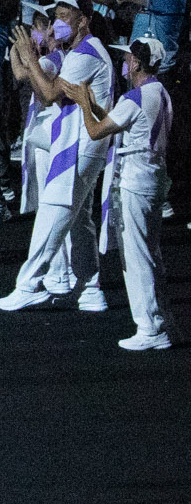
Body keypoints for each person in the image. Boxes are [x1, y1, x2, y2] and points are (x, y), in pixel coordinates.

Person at [0, 0, 115, 312]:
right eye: (55, 17)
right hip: (73, 145)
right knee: (78, 220)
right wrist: (23, 55)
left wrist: (28, 56)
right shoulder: (71, 54)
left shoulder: (88, 54)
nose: (56, 23)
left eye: (65, 15)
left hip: (80, 147)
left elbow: (49, 94)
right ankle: (91, 288)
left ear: (84, 21)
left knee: (53, 211)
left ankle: (29, 283)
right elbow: (35, 84)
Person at [67, 37, 177, 349]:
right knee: (150, 251)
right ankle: (160, 318)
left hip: (136, 180)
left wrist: (84, 103)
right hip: (154, 177)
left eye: (128, 58)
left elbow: (95, 130)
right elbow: (116, 121)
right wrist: (93, 105)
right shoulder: (159, 92)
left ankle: (150, 329)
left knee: (136, 256)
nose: (124, 63)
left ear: (139, 63)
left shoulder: (135, 97)